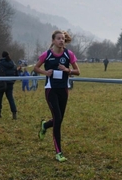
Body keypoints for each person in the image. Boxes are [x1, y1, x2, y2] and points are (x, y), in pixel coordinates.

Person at [33, 30, 80, 162]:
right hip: (51, 89)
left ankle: (45, 126)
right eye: (59, 39)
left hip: (63, 89)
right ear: (53, 40)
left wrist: (68, 70)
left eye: (63, 39)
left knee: (59, 119)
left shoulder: (68, 54)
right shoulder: (47, 54)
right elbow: (36, 68)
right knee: (58, 118)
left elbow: (78, 71)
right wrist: (45, 72)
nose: (61, 41)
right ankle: (58, 152)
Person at [0, 51, 18, 119]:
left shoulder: (0, 64)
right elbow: (16, 74)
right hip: (10, 84)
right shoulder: (13, 64)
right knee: (10, 98)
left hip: (1, 83)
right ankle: (14, 112)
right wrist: (12, 81)